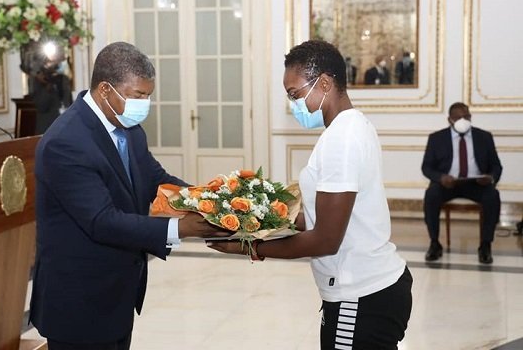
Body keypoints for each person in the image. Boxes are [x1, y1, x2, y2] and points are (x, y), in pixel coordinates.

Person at [208, 40, 412, 349]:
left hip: (359, 293)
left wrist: (250, 248)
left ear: (325, 83)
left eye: (295, 94)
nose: (293, 104)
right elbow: (329, 217)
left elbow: (326, 240)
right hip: (371, 289)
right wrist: (263, 221)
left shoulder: (341, 140)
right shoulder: (352, 126)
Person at [29, 42, 228, 349]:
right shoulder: (66, 141)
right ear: (106, 90)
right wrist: (180, 228)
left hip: (117, 296)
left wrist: (209, 200)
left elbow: (155, 180)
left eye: (148, 96)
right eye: (138, 96)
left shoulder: (128, 127)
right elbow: (101, 220)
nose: (144, 104)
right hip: (78, 304)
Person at [421, 102, 502, 264]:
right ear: (450, 120)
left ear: (471, 117)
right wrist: (441, 178)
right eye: (458, 118)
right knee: (431, 195)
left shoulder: (484, 137)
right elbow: (427, 167)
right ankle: (435, 243)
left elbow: (496, 165)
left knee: (492, 195)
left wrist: (490, 178)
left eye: (466, 117)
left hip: (476, 183)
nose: (463, 120)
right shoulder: (436, 138)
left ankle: (485, 245)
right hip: (448, 184)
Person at [31, 60, 73, 134]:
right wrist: (47, 89)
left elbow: (69, 102)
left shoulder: (63, 79)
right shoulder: (38, 81)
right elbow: (41, 106)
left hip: (64, 127)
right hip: (46, 128)